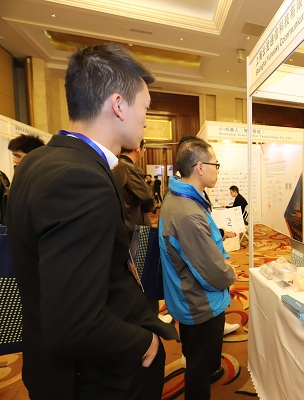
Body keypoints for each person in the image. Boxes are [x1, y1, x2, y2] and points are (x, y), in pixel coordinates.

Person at [5, 43, 178, 399]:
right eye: (145, 107)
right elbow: (73, 322)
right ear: (119, 105)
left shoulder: (39, 161)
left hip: (52, 363)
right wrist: (143, 344)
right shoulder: (80, 178)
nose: (146, 119)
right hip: (95, 378)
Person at [158, 139, 236, 400]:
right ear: (200, 167)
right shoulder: (187, 212)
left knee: (198, 356)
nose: (218, 170)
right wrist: (229, 272)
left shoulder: (181, 197)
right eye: (215, 164)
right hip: (199, 303)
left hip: (188, 296)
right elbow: (211, 272)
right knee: (199, 368)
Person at [112, 139, 155, 240]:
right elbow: (147, 198)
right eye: (144, 149)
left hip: (120, 225)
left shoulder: (114, 166)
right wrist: (152, 207)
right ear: (138, 149)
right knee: (140, 250)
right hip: (135, 227)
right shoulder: (130, 168)